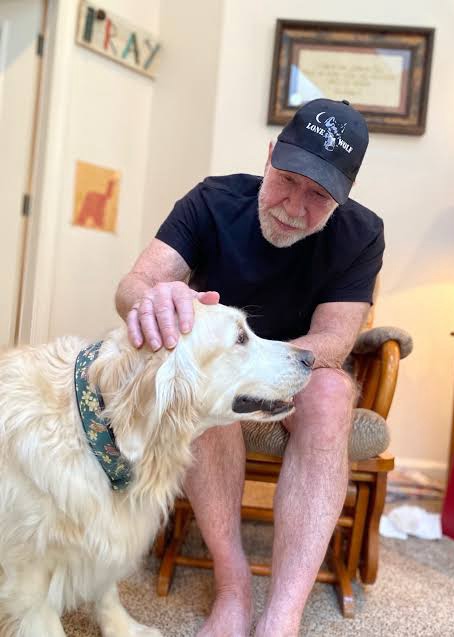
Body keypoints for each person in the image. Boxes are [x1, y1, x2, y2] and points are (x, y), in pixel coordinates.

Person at [115, 98, 384, 637]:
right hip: (221, 363)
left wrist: (261, 366)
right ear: (270, 155)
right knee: (210, 384)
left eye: (319, 196)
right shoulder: (212, 200)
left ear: (344, 198)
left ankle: (282, 615)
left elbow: (335, 338)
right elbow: (133, 286)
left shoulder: (362, 233)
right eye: (287, 180)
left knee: (331, 396)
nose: (294, 206)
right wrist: (155, 300)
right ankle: (233, 587)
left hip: (302, 364)